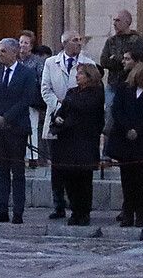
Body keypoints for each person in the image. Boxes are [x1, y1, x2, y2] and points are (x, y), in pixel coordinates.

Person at [41, 29, 95, 220]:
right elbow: (45, 88)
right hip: (57, 117)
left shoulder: (88, 64)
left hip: (77, 123)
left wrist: (71, 108)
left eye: (80, 40)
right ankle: (58, 204)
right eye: (74, 40)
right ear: (64, 43)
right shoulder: (51, 63)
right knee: (57, 166)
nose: (79, 43)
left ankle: (77, 206)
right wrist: (59, 106)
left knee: (75, 168)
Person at [0, 38, 35, 224]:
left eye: (3, 51)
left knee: (17, 172)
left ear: (14, 53)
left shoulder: (26, 74)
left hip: (16, 129)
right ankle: (2, 209)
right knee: (1, 171)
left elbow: (27, 98)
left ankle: (18, 212)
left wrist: (7, 117)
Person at [108, 49, 143, 226]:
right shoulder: (124, 89)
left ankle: (141, 212)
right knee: (127, 179)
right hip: (125, 140)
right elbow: (117, 110)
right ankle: (128, 212)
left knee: (142, 179)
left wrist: (137, 129)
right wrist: (127, 128)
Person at [50, 61, 105, 226]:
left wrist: (68, 101)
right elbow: (62, 111)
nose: (77, 76)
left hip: (85, 142)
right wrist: (58, 118)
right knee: (69, 179)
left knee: (83, 180)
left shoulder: (95, 93)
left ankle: (84, 212)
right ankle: (74, 210)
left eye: (80, 73)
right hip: (67, 142)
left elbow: (85, 108)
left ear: (89, 77)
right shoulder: (72, 92)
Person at [17, 31, 46, 164]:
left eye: (26, 43)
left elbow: (41, 79)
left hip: (31, 98)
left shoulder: (37, 61)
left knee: (32, 126)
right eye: (21, 42)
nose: (23, 45)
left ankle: (33, 156)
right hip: (16, 98)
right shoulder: (15, 60)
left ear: (31, 46)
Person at [99, 11, 142, 91]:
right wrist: (122, 60)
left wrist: (115, 58)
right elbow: (103, 61)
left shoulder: (136, 40)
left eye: (118, 20)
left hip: (130, 84)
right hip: (112, 84)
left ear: (127, 22)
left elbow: (137, 62)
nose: (114, 24)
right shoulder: (111, 41)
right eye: (114, 20)